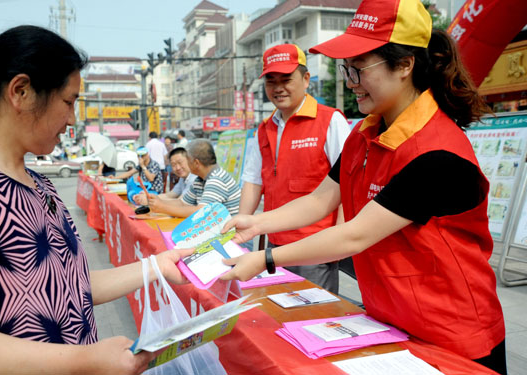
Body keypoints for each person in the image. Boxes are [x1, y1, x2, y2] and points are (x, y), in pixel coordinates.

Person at [220, 0, 506, 373]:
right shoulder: (365, 134)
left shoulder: (436, 153)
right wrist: (257, 224)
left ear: (405, 65)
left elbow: (355, 235)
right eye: (346, 70)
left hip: (452, 333)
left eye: (358, 70)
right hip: (391, 320)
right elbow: (322, 198)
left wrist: (265, 259)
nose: (350, 83)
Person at [0, 25, 193, 375]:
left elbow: (69, 286)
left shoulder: (40, 186)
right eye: (68, 102)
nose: (72, 119)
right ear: (20, 91)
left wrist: (157, 266)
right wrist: (87, 360)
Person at [239, 43, 350, 293]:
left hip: (315, 247)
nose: (278, 88)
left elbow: (348, 180)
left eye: (286, 79)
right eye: (271, 81)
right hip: (274, 245)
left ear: (306, 78)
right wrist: (240, 234)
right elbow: (253, 181)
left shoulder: (330, 120)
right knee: (278, 316)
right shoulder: (264, 129)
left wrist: (340, 238)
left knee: (315, 318)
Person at [147, 139, 241, 218]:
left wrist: (162, 207)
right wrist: (159, 201)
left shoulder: (217, 179)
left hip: (232, 238)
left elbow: (201, 212)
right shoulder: (200, 180)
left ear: (196, 163)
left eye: (187, 160)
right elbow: (183, 203)